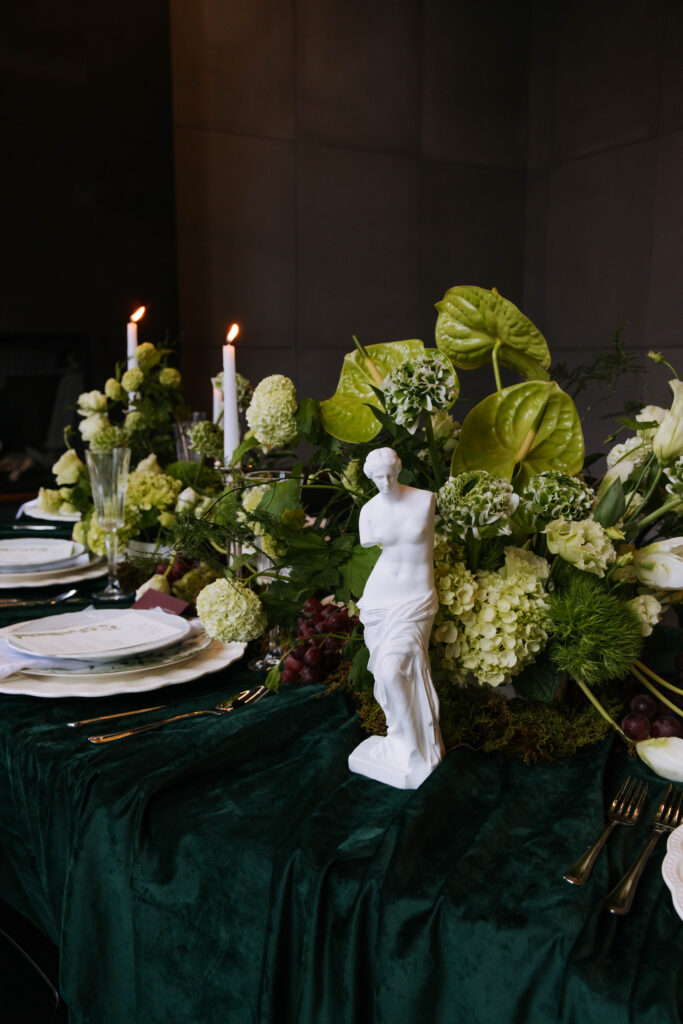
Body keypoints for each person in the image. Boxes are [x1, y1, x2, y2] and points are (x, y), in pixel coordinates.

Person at [348, 447, 445, 789]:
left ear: (399, 468)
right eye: (377, 477)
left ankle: (415, 749)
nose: (385, 482)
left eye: (390, 474)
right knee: (384, 676)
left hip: (416, 601)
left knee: (392, 671)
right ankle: (400, 737)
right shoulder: (370, 512)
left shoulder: (424, 500)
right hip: (378, 602)